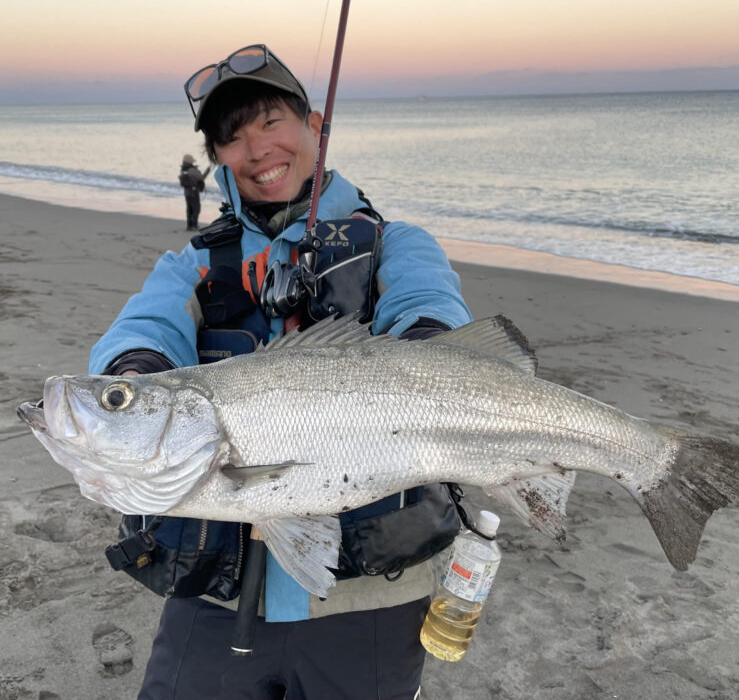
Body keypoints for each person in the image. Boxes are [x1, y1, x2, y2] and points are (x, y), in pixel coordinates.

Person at [90, 43, 473, 699]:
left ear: (315, 126)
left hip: (372, 598)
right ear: (218, 159)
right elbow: (147, 325)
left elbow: (427, 304)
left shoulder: (397, 244)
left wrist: (431, 354)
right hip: (215, 595)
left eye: (271, 121)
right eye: (232, 138)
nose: (257, 149)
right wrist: (136, 378)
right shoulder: (194, 264)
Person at [178, 153, 210, 230]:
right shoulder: (192, 170)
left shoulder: (183, 170)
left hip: (186, 192)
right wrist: (208, 170)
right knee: (196, 209)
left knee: (189, 209)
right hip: (194, 192)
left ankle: (189, 226)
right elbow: (201, 177)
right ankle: (194, 225)